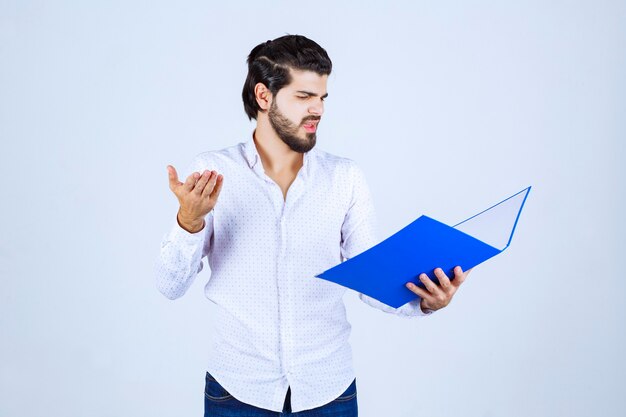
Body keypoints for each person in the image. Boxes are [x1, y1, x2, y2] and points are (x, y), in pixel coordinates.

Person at [155, 34, 470, 417]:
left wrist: (424, 301)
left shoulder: (345, 178)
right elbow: (169, 286)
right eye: (304, 97)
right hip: (236, 392)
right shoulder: (214, 172)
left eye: (322, 98)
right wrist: (189, 221)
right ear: (264, 97)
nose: (317, 110)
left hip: (328, 391)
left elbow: (371, 282)